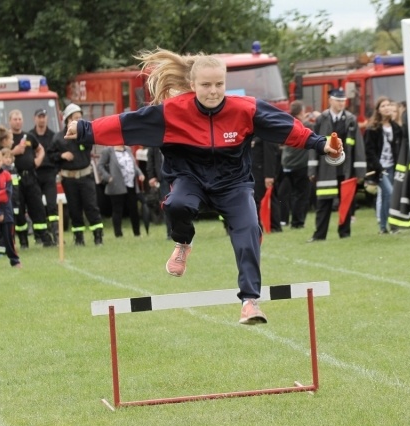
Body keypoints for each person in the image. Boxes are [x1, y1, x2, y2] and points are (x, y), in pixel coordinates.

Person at [64, 49, 341, 324]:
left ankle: (250, 302)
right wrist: (86, 129)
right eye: (206, 85)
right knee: (176, 204)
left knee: (248, 229)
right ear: (192, 85)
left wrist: (321, 144)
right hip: (190, 180)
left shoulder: (245, 109)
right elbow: (128, 124)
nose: (213, 91)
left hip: (233, 185)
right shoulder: (172, 112)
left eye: (219, 84)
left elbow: (285, 126)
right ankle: (183, 242)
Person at [309, 88, 366, 241]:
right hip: (325, 168)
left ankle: (345, 234)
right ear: (330, 101)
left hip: (345, 169)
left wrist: (360, 171)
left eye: (343, 101)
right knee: (323, 203)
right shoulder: (321, 119)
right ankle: (319, 236)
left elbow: (358, 146)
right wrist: (312, 170)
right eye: (338, 100)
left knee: (346, 202)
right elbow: (313, 144)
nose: (341, 103)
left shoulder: (351, 119)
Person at [49, 104, 105, 246]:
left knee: (91, 206)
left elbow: (91, 144)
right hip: (69, 179)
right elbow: (50, 155)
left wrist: (80, 134)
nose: (79, 120)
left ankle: (98, 236)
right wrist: (61, 155)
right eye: (75, 118)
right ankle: (79, 238)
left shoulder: (85, 134)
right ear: (68, 119)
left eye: (80, 117)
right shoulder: (58, 138)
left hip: (86, 176)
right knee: (74, 209)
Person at [9, 109, 53, 246]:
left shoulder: (28, 136)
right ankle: (23, 240)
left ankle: (44, 238)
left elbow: (40, 149)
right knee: (19, 210)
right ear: (10, 121)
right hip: (15, 179)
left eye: (19, 119)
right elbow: (0, 156)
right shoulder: (7, 138)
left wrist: (38, 160)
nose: (18, 122)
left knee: (38, 207)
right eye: (15, 119)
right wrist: (14, 152)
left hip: (31, 177)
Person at [364, 97, 402, 234]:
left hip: (392, 166)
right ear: (378, 110)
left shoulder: (396, 127)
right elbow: (369, 150)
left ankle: (386, 226)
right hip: (379, 168)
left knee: (388, 196)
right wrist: (377, 166)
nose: (386, 108)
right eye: (383, 106)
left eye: (388, 105)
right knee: (389, 192)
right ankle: (386, 225)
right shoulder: (372, 129)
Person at [97, 145, 145, 238]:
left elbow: (133, 165)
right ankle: (118, 234)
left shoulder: (128, 149)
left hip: (131, 184)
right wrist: (107, 177)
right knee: (117, 210)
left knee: (134, 209)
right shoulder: (108, 151)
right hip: (116, 185)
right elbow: (100, 165)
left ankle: (137, 233)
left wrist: (140, 174)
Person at [29, 108, 60, 244]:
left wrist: (56, 171)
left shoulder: (54, 136)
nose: (41, 119)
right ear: (34, 119)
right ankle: (39, 236)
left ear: (47, 118)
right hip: (35, 174)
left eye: (43, 117)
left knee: (52, 205)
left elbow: (57, 155)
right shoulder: (29, 136)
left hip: (49, 174)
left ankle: (56, 234)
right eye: (39, 117)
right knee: (37, 206)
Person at [281, 101, 314, 229]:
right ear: (301, 112)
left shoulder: (287, 123)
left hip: (287, 165)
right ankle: (297, 222)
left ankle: (287, 220)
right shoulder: (306, 125)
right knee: (301, 195)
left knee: (291, 194)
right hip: (300, 165)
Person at [250, 136, 281, 232]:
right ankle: (262, 225)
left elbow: (270, 154)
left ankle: (274, 226)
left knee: (266, 198)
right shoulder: (255, 135)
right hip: (255, 171)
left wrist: (269, 175)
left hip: (262, 173)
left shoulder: (265, 135)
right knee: (259, 199)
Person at [146, 146, 171, 238]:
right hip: (163, 179)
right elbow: (150, 159)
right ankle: (170, 233)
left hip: (177, 177)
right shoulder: (154, 143)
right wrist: (151, 176)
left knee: (180, 204)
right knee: (167, 204)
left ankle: (183, 231)